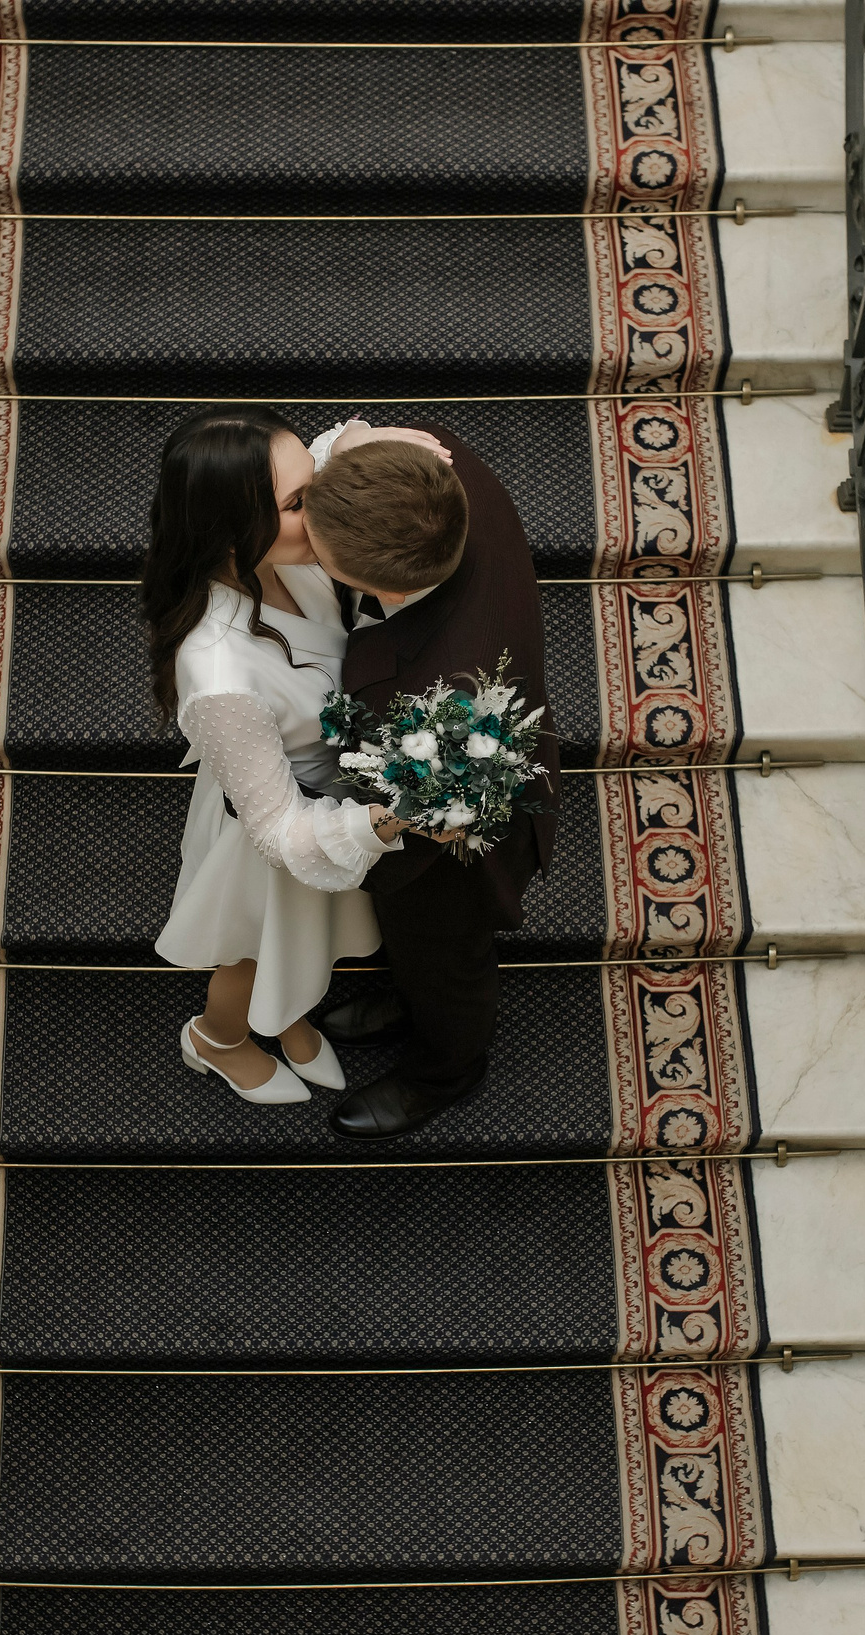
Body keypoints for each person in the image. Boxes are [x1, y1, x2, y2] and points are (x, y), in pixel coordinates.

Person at [144, 405, 454, 1104]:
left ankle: (286, 1018)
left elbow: (318, 449)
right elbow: (281, 831)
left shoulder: (286, 549)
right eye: (297, 504)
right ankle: (218, 1039)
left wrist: (363, 444)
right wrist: (383, 821)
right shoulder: (219, 670)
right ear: (230, 532)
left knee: (307, 941)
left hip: (328, 783)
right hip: (275, 823)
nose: (323, 509)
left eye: (312, 487)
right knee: (254, 949)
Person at [305, 426, 559, 1140]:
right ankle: (402, 994)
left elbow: (435, 824)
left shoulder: (442, 707)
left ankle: (445, 1069)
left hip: (451, 851)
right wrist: (353, 439)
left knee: (446, 954)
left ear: (382, 586)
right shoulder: (436, 465)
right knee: (410, 954)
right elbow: (352, 450)